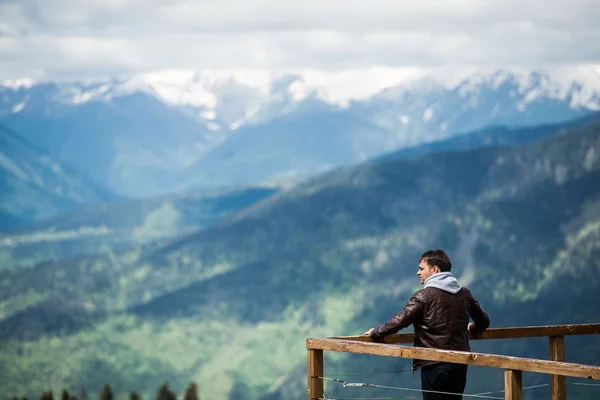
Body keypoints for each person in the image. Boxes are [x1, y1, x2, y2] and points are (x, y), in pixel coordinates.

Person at [363, 249, 490, 400]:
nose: (418, 272)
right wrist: (473, 328)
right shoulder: (465, 294)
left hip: (433, 362)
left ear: (435, 269)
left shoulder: (424, 295)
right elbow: (484, 322)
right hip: (459, 362)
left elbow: (399, 321)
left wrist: (376, 332)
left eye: (421, 268)